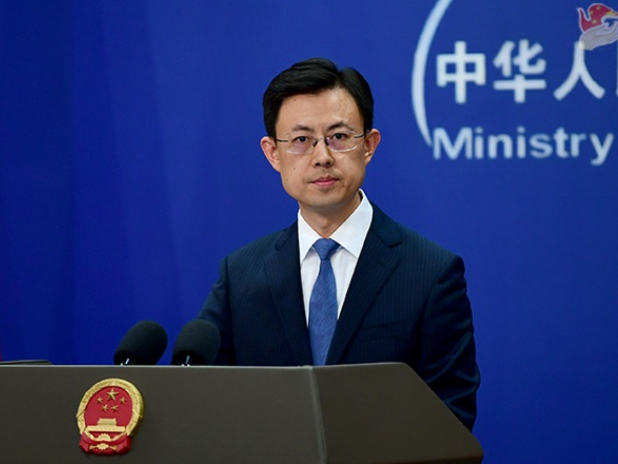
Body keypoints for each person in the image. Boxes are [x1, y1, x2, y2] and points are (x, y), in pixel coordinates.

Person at [199, 57, 480, 430]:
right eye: (301, 140)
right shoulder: (240, 276)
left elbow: (450, 419)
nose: (322, 157)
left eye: (339, 137)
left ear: (369, 145)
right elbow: (206, 403)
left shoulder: (430, 274)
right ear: (273, 153)